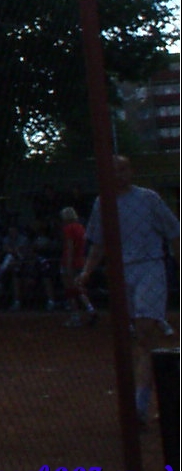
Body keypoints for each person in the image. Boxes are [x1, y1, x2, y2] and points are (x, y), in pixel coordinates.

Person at [78, 155, 180, 424]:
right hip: (121, 270)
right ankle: (145, 397)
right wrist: (87, 270)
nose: (120, 174)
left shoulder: (148, 198)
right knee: (138, 337)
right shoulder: (103, 203)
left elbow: (174, 233)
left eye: (124, 169)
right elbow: (98, 243)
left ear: (131, 171)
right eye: (114, 170)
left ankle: (140, 404)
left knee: (144, 331)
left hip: (149, 265)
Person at [59, 206, 96, 327]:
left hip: (70, 261)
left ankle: (75, 317)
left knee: (70, 290)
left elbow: (70, 247)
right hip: (80, 259)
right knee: (78, 287)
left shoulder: (68, 228)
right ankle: (90, 308)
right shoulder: (81, 227)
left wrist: (68, 265)